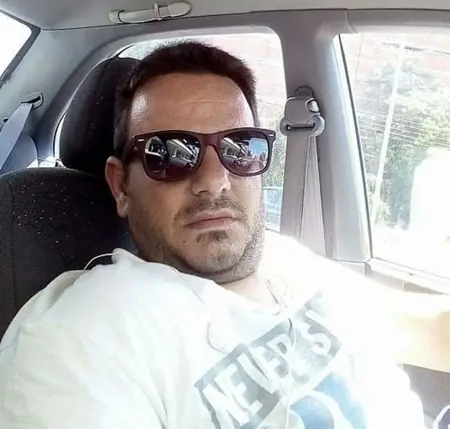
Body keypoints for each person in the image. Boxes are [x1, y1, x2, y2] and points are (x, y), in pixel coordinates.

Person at [0, 41, 425, 428]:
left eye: (241, 149)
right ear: (121, 186)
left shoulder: (293, 261)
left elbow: (418, 326)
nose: (214, 181)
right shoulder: (82, 339)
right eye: (171, 153)